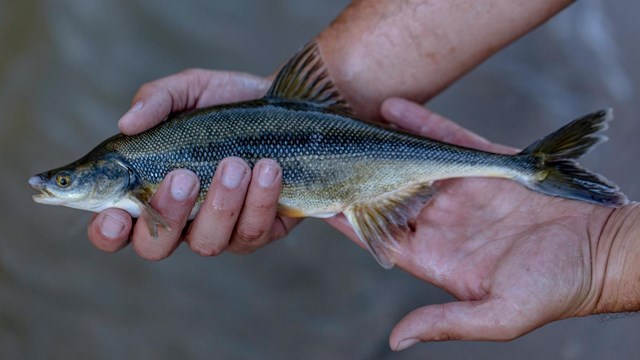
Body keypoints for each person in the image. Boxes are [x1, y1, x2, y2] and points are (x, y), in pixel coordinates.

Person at [86, 0, 640, 351]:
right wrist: (603, 252)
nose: (57, 186)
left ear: (111, 174)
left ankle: (527, 168)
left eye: (69, 183)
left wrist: (608, 258)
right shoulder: (137, 166)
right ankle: (526, 169)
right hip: (320, 141)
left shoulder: (136, 170)